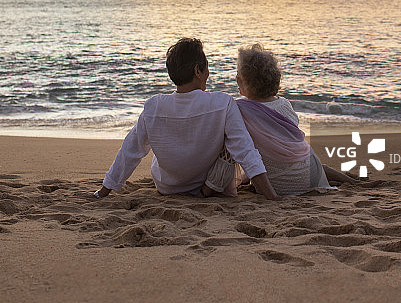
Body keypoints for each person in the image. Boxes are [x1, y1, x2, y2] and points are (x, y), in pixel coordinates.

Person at [93, 38, 279, 200]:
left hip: (167, 188)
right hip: (205, 185)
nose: (208, 71)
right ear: (198, 70)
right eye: (206, 66)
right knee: (231, 143)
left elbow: (130, 151)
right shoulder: (223, 103)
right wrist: (272, 196)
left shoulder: (154, 106)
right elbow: (245, 150)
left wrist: (103, 192)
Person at [203, 44, 350, 197]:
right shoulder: (285, 104)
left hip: (278, 184)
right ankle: (352, 182)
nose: (236, 78)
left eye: (239, 75)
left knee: (232, 141)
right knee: (304, 160)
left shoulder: (240, 109)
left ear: (244, 82)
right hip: (311, 173)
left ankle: (211, 187)